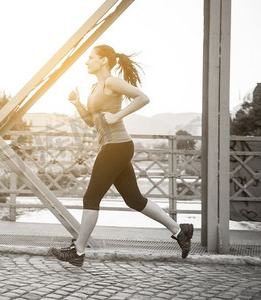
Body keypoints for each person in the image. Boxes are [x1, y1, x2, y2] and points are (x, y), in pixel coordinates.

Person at [50, 44, 193, 267]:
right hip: (114, 146)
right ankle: (179, 230)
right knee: (134, 200)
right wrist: (77, 103)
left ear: (104, 60)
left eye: (91, 57)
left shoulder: (110, 82)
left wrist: (118, 116)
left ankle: (78, 252)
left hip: (116, 146)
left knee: (90, 198)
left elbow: (142, 98)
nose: (86, 61)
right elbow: (92, 122)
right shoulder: (95, 86)